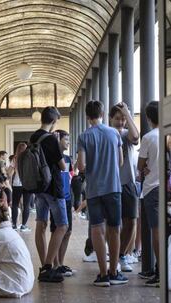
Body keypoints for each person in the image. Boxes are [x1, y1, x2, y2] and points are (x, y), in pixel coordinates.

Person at [77, 100, 128, 287]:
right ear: (103, 113)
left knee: (97, 229)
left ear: (87, 116)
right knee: (115, 228)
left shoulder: (84, 136)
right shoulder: (114, 133)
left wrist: (92, 166)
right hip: (113, 187)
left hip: (93, 190)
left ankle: (103, 274)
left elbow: (81, 166)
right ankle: (115, 272)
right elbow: (121, 161)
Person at [29, 106, 68, 283]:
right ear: (53, 121)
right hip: (53, 188)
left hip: (38, 188)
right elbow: (63, 166)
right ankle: (47, 266)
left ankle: (45, 265)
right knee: (62, 225)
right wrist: (59, 145)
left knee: (41, 224)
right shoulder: (52, 139)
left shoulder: (33, 137)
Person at [109, 102, 140, 273]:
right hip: (111, 184)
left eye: (123, 119)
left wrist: (128, 114)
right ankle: (114, 257)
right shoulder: (107, 134)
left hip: (128, 183)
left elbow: (136, 137)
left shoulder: (127, 134)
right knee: (113, 224)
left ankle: (121, 255)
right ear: (110, 119)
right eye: (118, 119)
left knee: (131, 221)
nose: (121, 122)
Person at [138, 101, 160, 287]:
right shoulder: (170, 134)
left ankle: (160, 271)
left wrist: (144, 168)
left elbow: (140, 165)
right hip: (170, 188)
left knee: (156, 230)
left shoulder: (148, 137)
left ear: (148, 118)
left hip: (152, 188)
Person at [49, 129, 74, 277]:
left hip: (67, 197)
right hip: (57, 197)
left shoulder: (68, 158)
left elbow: (69, 176)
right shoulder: (53, 158)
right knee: (57, 229)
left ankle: (61, 263)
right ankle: (55, 263)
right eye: (65, 139)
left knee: (68, 231)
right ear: (58, 140)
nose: (68, 142)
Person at [7, 142, 32, 232]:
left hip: (17, 184)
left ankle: (14, 225)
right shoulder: (30, 158)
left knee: (15, 204)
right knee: (26, 205)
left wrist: (10, 180)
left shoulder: (15, 159)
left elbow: (9, 172)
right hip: (28, 184)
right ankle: (24, 226)